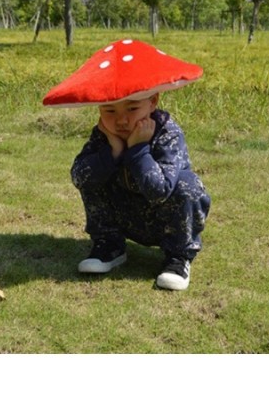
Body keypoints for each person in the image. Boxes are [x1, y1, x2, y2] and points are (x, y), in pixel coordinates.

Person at [70, 92, 210, 291]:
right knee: (92, 172)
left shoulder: (167, 133)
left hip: (164, 221)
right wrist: (112, 152)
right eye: (109, 110)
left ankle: (178, 257)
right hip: (123, 215)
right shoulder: (103, 135)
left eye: (132, 108)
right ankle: (110, 245)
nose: (121, 120)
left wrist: (138, 150)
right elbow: (79, 177)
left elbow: (159, 191)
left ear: (152, 102)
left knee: (188, 184)